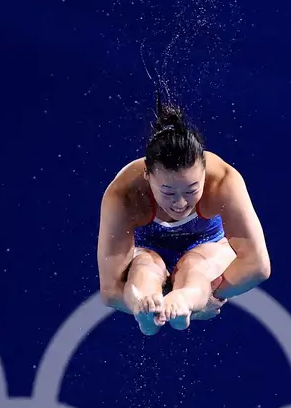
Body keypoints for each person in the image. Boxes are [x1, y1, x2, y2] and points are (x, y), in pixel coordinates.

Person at [97, 100, 271, 334]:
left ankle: (184, 301)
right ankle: (146, 308)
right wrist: (136, 303)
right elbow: (110, 290)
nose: (180, 204)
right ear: (147, 175)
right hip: (148, 250)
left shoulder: (223, 181)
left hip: (206, 247)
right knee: (145, 269)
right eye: (168, 192)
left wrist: (208, 297)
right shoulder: (123, 194)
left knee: (195, 267)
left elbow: (257, 266)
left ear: (204, 171)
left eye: (191, 190)